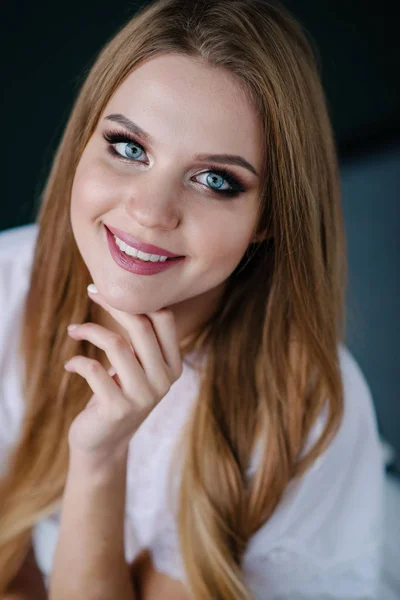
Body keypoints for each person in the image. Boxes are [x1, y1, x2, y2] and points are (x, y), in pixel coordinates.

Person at [0, 0, 385, 598]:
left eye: (215, 180)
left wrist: (99, 458)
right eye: (129, 147)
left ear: (267, 218)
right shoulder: (5, 289)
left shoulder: (298, 409)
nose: (150, 213)